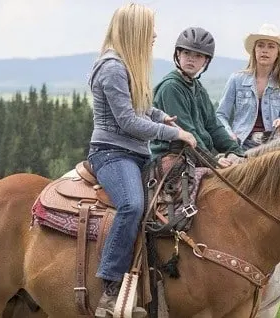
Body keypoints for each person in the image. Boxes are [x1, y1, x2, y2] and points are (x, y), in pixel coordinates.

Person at [86, 4, 196, 317]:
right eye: (150, 29)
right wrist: (173, 134)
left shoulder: (127, 66)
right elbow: (127, 122)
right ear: (134, 31)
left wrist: (163, 117)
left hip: (136, 154)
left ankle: (154, 282)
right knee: (132, 206)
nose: (155, 35)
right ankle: (110, 286)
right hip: (111, 153)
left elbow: (142, 108)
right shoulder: (112, 68)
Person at [150, 27, 243, 166]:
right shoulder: (171, 87)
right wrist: (213, 160)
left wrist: (236, 151)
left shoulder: (198, 88)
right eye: (187, 53)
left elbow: (214, 126)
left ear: (206, 61)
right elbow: (187, 132)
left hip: (198, 154)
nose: (191, 59)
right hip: (174, 155)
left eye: (198, 56)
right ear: (178, 54)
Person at [216, 24, 280, 150]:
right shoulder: (236, 79)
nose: (265, 50)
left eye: (271, 46)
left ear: (277, 53)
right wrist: (229, 134)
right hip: (241, 144)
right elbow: (220, 115)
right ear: (254, 50)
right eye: (260, 45)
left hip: (274, 146)